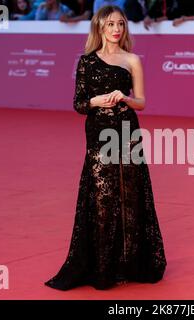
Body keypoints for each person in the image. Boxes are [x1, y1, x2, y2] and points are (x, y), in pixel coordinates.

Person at [44, 4, 167, 290]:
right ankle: (102, 267)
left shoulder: (133, 60)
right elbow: (78, 104)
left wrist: (124, 97)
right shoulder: (86, 61)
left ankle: (133, 263)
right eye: (111, 24)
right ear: (100, 27)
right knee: (102, 195)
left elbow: (142, 102)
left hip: (127, 130)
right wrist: (95, 102)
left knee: (130, 193)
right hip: (99, 131)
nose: (116, 29)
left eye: (121, 24)